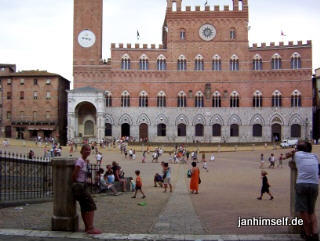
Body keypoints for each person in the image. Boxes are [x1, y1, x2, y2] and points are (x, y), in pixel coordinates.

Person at [287, 141, 319, 241]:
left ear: (298, 149)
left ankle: (307, 234)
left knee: (303, 211)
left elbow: (287, 155)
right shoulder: (315, 156)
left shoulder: (297, 154)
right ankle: (315, 233)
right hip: (314, 184)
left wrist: (292, 152)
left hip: (302, 184)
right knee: (312, 211)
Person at [71, 144, 101, 234]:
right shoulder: (80, 161)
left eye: (89, 150)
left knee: (84, 207)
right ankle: (90, 227)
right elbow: (74, 175)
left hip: (82, 185)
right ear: (82, 151)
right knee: (91, 206)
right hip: (80, 186)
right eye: (86, 150)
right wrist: (79, 183)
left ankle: (87, 227)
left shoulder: (84, 161)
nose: (88, 151)